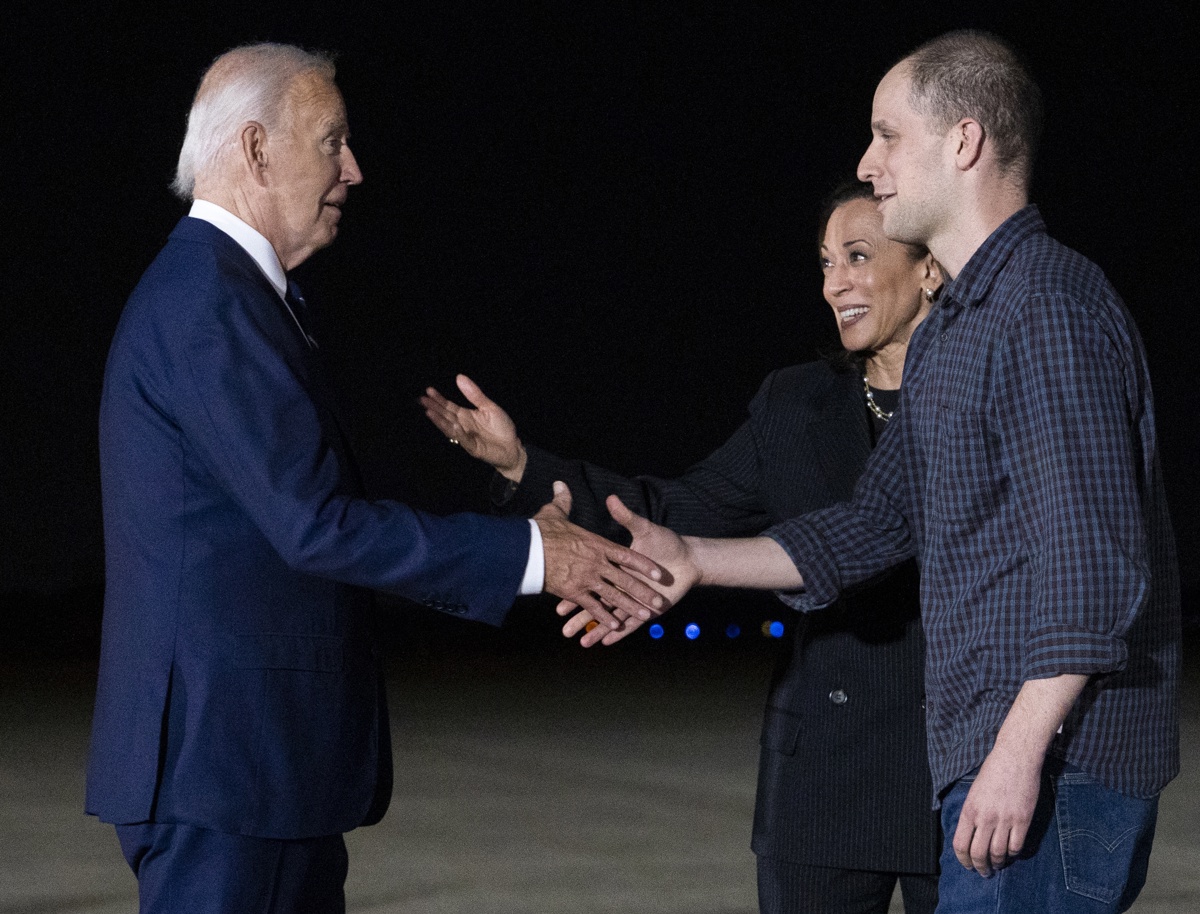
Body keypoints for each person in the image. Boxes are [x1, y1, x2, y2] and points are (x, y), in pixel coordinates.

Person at [570, 30, 1181, 914]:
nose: (868, 161)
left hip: (1055, 773)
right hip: (994, 765)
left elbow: (1093, 564)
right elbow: (876, 521)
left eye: (887, 134)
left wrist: (1015, 759)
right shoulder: (957, 332)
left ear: (963, 143)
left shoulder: (1043, 310)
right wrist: (699, 560)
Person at [87, 43, 669, 914]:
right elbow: (315, 524)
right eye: (332, 142)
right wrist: (534, 557)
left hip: (254, 773)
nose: (353, 171)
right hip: (229, 774)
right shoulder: (209, 302)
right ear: (254, 150)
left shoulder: (239, 294)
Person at [421, 181, 944, 913]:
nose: (834, 283)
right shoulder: (794, 403)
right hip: (823, 783)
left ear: (930, 267)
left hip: (958, 778)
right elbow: (673, 509)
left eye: (858, 256)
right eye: (825, 262)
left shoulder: (986, 391)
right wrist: (522, 466)